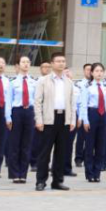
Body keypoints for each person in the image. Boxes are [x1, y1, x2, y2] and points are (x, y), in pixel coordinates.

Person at [34, 52, 75, 191]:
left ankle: (57, 181)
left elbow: (72, 102)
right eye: (58, 61)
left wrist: (72, 120)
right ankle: (41, 181)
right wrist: (39, 120)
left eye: (63, 61)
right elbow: (38, 102)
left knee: (61, 152)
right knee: (44, 152)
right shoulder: (43, 81)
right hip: (48, 120)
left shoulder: (69, 82)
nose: (61, 63)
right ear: (52, 64)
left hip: (64, 119)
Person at [7, 55, 36, 184]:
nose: (25, 64)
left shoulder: (34, 82)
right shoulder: (12, 82)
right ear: (18, 65)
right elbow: (8, 101)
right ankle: (14, 174)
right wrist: (8, 117)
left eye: (27, 62)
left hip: (29, 112)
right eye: (23, 62)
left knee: (27, 144)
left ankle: (23, 173)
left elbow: (36, 100)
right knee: (15, 144)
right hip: (16, 111)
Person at [79, 62, 106, 183]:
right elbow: (83, 105)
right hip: (92, 114)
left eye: (101, 71)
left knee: (101, 146)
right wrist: (85, 120)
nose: (99, 73)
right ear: (91, 73)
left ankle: (97, 173)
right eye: (96, 71)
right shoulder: (87, 87)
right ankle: (89, 173)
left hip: (104, 115)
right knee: (90, 145)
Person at [30, 60, 52, 164]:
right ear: (40, 69)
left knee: (47, 140)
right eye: (44, 67)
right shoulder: (35, 82)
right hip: (38, 112)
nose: (47, 69)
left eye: (48, 67)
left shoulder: (53, 83)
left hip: (49, 112)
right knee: (36, 139)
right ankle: (34, 161)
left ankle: (44, 162)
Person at [73, 63, 91, 168]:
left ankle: (87, 157)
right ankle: (78, 158)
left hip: (93, 114)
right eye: (87, 70)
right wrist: (80, 117)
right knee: (81, 138)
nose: (89, 72)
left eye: (90, 70)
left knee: (91, 138)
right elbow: (78, 102)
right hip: (82, 114)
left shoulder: (96, 84)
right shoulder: (79, 84)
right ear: (84, 71)